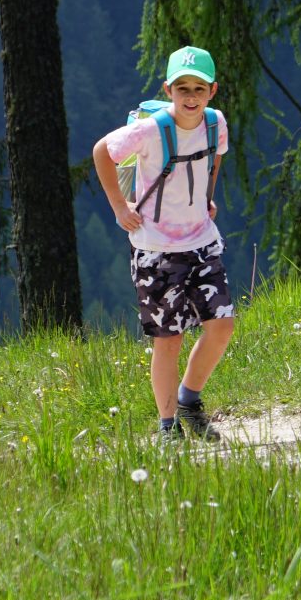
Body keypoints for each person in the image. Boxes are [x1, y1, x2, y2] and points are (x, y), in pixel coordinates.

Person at [93, 46, 235, 441]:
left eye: (199, 88)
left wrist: (206, 195)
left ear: (213, 90)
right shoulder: (150, 129)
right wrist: (120, 208)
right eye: (182, 88)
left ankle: (190, 400)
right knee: (168, 339)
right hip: (155, 248)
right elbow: (103, 152)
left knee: (222, 326)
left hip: (201, 241)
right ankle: (167, 426)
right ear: (168, 89)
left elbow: (214, 157)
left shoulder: (215, 123)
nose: (191, 97)